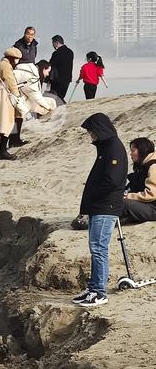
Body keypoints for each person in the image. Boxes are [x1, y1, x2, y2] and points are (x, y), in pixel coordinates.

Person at [72, 113, 127, 307]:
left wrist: (94, 194)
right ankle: (93, 287)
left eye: (91, 131)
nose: (91, 135)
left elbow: (113, 180)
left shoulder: (114, 147)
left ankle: (99, 292)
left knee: (99, 248)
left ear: (100, 129)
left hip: (106, 205)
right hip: (99, 206)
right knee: (95, 247)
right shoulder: (105, 147)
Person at [0, 47, 23, 160]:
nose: (17, 62)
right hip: (3, 98)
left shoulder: (2, 64)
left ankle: (3, 150)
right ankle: (2, 152)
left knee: (4, 124)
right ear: (12, 58)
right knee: (6, 124)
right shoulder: (6, 66)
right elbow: (11, 81)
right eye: (17, 59)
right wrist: (17, 95)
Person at [121, 138, 156, 223]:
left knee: (121, 202)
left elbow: (151, 194)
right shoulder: (143, 167)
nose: (131, 154)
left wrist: (128, 196)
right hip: (148, 205)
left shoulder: (153, 167)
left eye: (133, 151)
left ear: (142, 150)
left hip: (153, 208)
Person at [49, 35, 74, 100]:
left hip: (56, 80)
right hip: (67, 79)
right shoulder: (70, 52)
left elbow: (51, 66)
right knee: (61, 97)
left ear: (57, 43)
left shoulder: (56, 53)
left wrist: (47, 79)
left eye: (53, 43)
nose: (53, 45)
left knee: (54, 97)